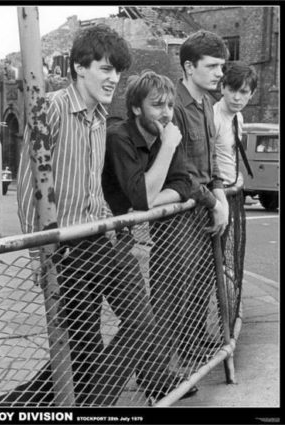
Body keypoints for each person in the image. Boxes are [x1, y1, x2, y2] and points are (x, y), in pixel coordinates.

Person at [0, 24, 151, 408]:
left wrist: (114, 232)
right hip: (63, 251)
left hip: (99, 241)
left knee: (142, 323)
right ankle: (20, 404)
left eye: (118, 71)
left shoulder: (100, 118)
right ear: (80, 67)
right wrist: (38, 254)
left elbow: (91, 188)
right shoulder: (49, 108)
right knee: (81, 353)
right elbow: (29, 186)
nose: (114, 78)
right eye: (105, 68)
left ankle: (81, 407)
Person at [102, 70, 224, 402]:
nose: (167, 113)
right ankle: (92, 399)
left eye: (169, 105)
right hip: (94, 239)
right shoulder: (120, 137)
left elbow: (184, 184)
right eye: (157, 105)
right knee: (94, 331)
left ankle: (150, 379)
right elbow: (140, 197)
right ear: (136, 108)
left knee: (139, 320)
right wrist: (167, 151)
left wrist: (152, 195)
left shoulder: (165, 136)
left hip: (120, 239)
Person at [172, 30, 230, 360]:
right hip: (181, 216)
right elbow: (182, 173)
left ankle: (191, 347)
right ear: (190, 67)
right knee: (176, 287)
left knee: (200, 283)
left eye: (222, 66)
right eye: (212, 66)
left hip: (206, 210)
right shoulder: (175, 106)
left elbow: (211, 167)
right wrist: (214, 202)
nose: (220, 73)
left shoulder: (206, 104)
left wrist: (220, 199)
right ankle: (166, 366)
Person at [213, 60, 258, 187]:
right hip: (216, 192)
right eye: (232, 90)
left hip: (232, 188)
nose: (237, 98)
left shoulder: (238, 116)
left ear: (252, 94)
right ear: (222, 88)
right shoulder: (213, 118)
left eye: (243, 92)